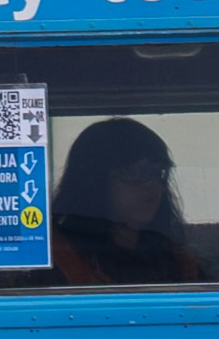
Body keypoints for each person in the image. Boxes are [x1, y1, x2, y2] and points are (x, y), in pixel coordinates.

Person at [53, 117, 201, 285]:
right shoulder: (59, 260)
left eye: (158, 172)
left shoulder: (180, 262)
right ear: (95, 181)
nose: (151, 184)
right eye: (134, 172)